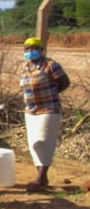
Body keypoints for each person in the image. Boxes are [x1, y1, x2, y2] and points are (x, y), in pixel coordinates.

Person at [19, 36, 70, 192]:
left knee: (44, 141)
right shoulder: (25, 67)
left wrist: (52, 94)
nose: (30, 51)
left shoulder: (50, 65)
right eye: (27, 49)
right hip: (31, 110)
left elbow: (64, 82)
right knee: (34, 143)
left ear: (41, 50)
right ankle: (42, 176)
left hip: (48, 109)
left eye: (33, 48)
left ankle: (40, 179)